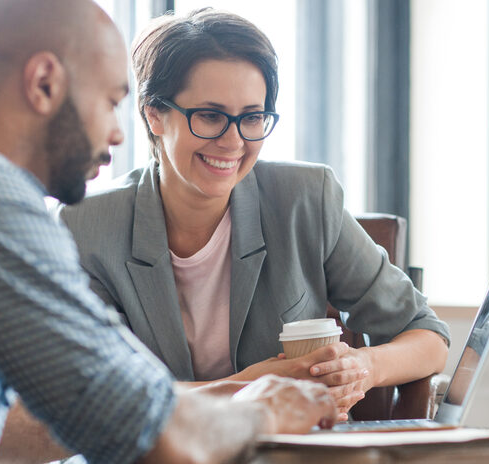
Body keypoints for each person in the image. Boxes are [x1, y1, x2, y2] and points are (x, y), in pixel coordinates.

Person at [0, 0, 336, 464]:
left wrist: (211, 398)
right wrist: (264, 410)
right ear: (44, 83)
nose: (118, 133)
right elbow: (159, 455)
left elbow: (2, 430)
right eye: (109, 101)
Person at [59, 9, 450, 425]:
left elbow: (427, 335)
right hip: (146, 453)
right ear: (154, 113)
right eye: (210, 116)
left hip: (290, 453)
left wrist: (363, 367)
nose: (233, 142)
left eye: (252, 117)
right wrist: (249, 388)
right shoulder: (86, 228)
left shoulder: (305, 200)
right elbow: (97, 395)